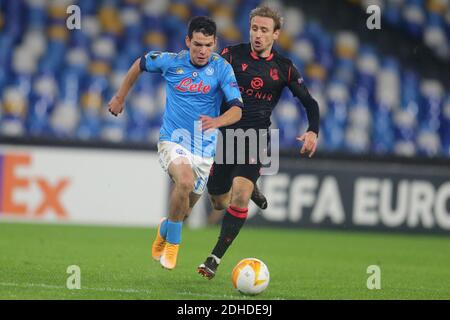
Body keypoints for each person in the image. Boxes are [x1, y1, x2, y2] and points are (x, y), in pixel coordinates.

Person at [108, 16, 243, 270]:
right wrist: (119, 97)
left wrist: (218, 121)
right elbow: (140, 63)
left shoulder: (222, 69)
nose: (202, 51)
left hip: (204, 149)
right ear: (187, 41)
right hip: (173, 140)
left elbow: (237, 110)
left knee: (184, 210)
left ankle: (165, 228)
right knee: (184, 180)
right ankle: (173, 247)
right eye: (197, 45)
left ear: (215, 43)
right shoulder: (171, 61)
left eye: (208, 45)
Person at [197, 6, 320, 279]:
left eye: (264, 30)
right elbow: (207, 80)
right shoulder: (230, 55)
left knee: (239, 195)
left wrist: (313, 131)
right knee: (218, 201)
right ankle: (252, 188)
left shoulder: (284, 68)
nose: (258, 34)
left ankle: (214, 258)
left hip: (255, 139)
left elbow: (310, 102)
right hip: (227, 138)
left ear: (275, 34)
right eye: (254, 28)